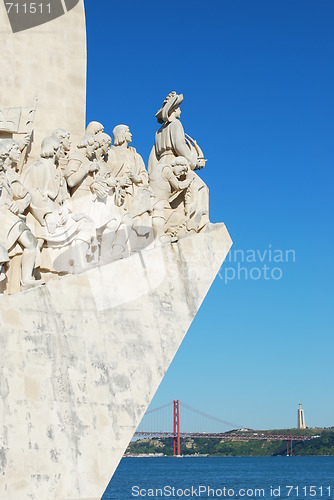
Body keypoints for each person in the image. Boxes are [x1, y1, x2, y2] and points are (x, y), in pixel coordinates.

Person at [22, 136, 96, 274]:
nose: (63, 152)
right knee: (36, 238)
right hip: (42, 217)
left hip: (59, 215)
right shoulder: (38, 167)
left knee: (87, 223)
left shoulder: (58, 172)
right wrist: (47, 214)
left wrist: (67, 209)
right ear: (53, 149)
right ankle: (31, 273)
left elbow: (65, 196)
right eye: (60, 149)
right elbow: (31, 193)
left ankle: (78, 264)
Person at [0, 139, 41, 290]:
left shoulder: (10, 174)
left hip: (9, 216)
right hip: (3, 216)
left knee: (31, 243)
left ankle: (26, 280)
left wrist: (20, 204)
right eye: (15, 150)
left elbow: (25, 194)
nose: (19, 153)